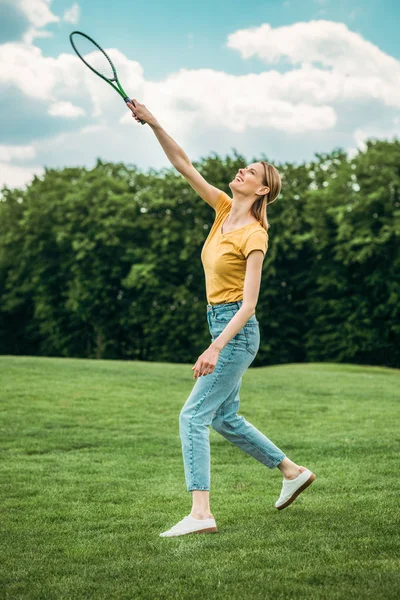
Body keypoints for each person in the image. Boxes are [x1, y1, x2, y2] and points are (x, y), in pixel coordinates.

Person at [126, 99, 316, 538]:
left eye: (251, 172)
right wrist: (154, 123)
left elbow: (249, 304)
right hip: (220, 322)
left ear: (264, 190)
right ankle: (292, 472)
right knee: (224, 418)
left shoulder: (255, 233)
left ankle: (200, 514)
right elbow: (183, 165)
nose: (241, 173)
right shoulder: (222, 211)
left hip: (236, 331)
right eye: (243, 169)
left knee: (192, 416)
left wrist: (215, 348)